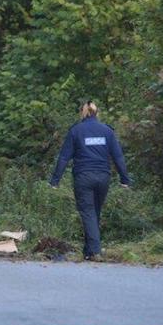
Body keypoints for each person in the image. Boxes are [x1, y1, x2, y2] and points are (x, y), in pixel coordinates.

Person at [50, 101, 131, 260]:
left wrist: (55, 180)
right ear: (97, 113)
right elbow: (118, 156)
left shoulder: (76, 130)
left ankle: (94, 252)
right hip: (103, 177)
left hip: (83, 177)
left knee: (88, 212)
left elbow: (64, 157)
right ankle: (88, 251)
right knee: (94, 212)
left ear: (82, 113)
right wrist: (125, 179)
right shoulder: (107, 131)